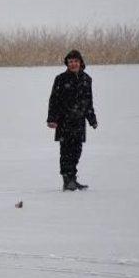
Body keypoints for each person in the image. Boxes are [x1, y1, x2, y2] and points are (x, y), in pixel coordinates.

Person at [47, 50, 97, 191]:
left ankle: (73, 179)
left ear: (80, 62)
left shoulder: (87, 79)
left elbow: (88, 102)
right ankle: (67, 180)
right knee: (66, 152)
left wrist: (92, 119)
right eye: (70, 62)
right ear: (67, 64)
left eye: (75, 61)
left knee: (77, 151)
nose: (73, 64)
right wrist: (52, 119)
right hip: (64, 121)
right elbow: (54, 101)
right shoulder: (60, 79)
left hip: (79, 122)